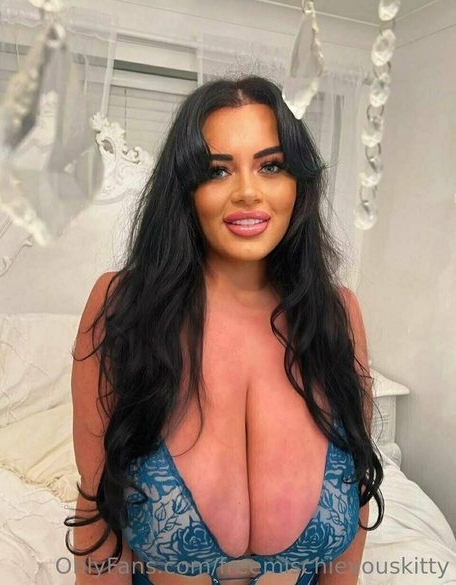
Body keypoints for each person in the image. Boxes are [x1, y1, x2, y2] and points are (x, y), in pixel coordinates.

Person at [65, 75, 384, 585]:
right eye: (217, 171)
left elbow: (357, 493)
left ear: (298, 182)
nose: (248, 193)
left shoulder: (337, 315)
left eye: (271, 165)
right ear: (186, 190)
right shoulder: (122, 305)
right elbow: (98, 510)